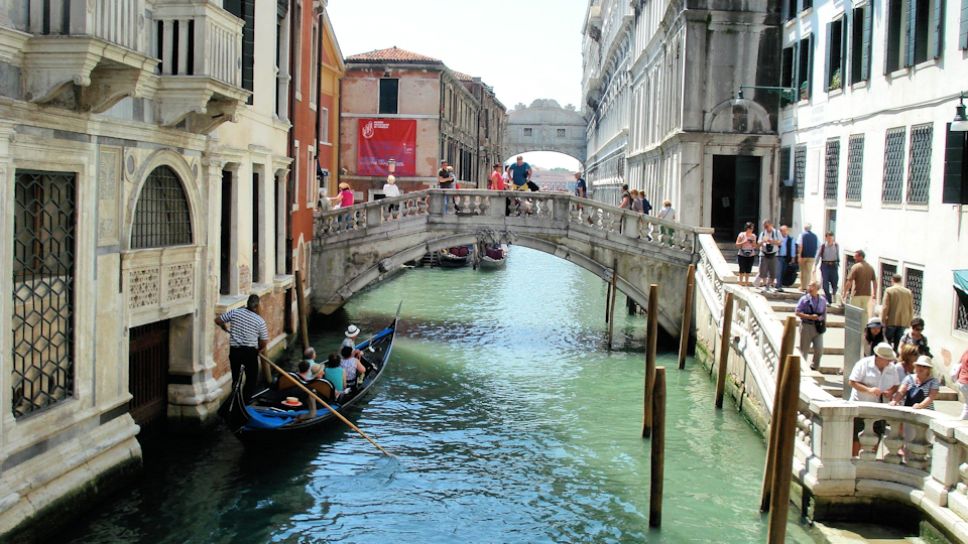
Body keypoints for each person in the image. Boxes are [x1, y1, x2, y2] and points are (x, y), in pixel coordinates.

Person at [215, 294, 269, 401]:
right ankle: (245, 400)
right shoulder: (260, 321)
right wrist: (259, 350)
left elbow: (218, 320)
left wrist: (224, 327)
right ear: (257, 306)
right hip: (250, 352)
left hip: (235, 351)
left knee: (236, 378)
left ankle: (236, 399)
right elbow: (264, 341)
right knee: (251, 378)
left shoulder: (235, 312)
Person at [795, 280, 827, 371]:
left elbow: (824, 313)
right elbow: (797, 312)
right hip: (806, 325)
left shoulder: (822, 300)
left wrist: (823, 323)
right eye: (809, 285)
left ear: (817, 288)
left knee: (819, 349)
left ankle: (814, 367)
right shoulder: (804, 299)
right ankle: (802, 368)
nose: (809, 287)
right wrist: (809, 316)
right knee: (804, 350)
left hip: (818, 327)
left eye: (812, 286)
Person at [881, 274, 914, 351]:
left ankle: (888, 358)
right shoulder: (908, 292)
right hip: (903, 322)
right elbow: (911, 308)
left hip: (891, 320)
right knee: (898, 343)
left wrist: (882, 320)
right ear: (901, 281)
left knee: (887, 342)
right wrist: (910, 321)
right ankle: (895, 359)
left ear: (892, 280)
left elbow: (885, 307)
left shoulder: (889, 290)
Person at [844, 249, 877, 321]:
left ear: (861, 257)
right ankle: (863, 331)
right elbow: (874, 281)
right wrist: (874, 293)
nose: (854, 258)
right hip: (867, 295)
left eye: (856, 256)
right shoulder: (870, 267)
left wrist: (845, 292)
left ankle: (855, 331)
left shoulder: (856, 267)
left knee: (855, 314)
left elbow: (849, 281)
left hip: (857, 294)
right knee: (865, 315)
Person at [755, 219, 780, 291]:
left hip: (774, 254)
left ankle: (769, 285)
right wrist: (763, 241)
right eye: (764, 226)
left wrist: (771, 241)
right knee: (763, 271)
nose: (765, 228)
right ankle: (765, 285)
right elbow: (758, 245)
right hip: (764, 254)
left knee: (773, 272)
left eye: (767, 226)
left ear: (771, 225)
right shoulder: (762, 233)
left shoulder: (776, 233)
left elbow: (780, 243)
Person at [817, 232, 840, 304]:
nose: (830, 239)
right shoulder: (823, 246)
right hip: (825, 265)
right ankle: (828, 299)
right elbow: (818, 256)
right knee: (825, 285)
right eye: (828, 238)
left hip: (834, 265)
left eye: (831, 237)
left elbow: (837, 255)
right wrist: (815, 266)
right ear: (826, 238)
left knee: (835, 283)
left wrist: (838, 262)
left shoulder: (836, 245)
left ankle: (834, 294)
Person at [796, 223, 819, 292]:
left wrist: (799, 255)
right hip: (812, 256)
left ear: (804, 228)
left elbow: (800, 245)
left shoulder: (802, 235)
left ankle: (803, 287)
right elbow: (818, 245)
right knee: (808, 272)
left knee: (803, 271)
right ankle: (807, 286)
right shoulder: (815, 236)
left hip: (804, 255)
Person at [735, 222, 758, 287]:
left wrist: (752, 242)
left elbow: (755, 246)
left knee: (748, 269)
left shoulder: (753, 236)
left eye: (752, 228)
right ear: (747, 228)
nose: (751, 230)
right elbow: (737, 244)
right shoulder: (741, 235)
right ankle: (740, 282)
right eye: (750, 228)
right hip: (742, 254)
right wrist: (744, 242)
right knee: (741, 269)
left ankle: (746, 283)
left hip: (751, 254)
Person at [775, 224, 796, 292]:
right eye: (781, 231)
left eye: (784, 230)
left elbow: (793, 249)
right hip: (778, 256)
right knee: (779, 271)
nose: (783, 232)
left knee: (783, 271)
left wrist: (793, 258)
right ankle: (778, 285)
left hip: (786, 257)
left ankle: (780, 284)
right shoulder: (777, 238)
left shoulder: (791, 239)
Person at [950, 348, 968, 419]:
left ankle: (962, 419)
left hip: (962, 382)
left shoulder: (966, 351)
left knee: (967, 404)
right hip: (966, 381)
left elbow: (959, 362)